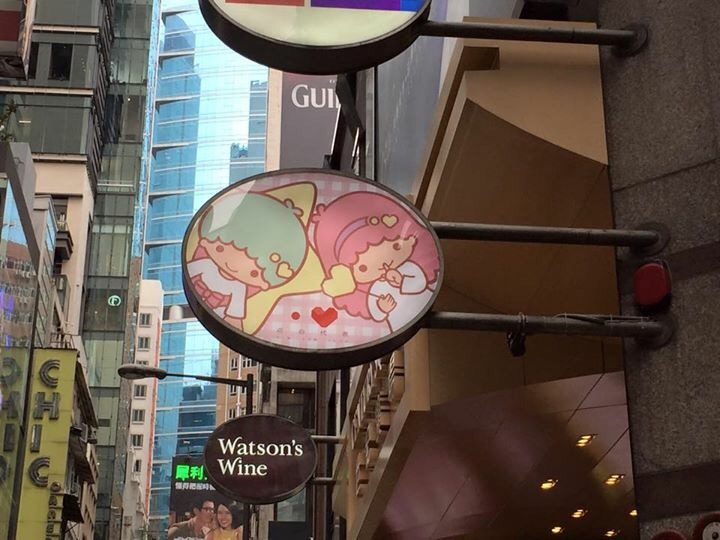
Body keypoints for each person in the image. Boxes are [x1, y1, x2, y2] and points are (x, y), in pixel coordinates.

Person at [312, 191, 440, 332]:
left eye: (395, 246)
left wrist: (401, 280)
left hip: (421, 306)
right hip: (398, 326)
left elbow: (420, 283)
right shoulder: (374, 288)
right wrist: (381, 308)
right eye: (363, 268)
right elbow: (375, 313)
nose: (382, 265)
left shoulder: (409, 266)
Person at [187, 190, 310, 330]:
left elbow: (235, 319)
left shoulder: (238, 288)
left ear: (264, 283)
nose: (233, 266)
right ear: (206, 241)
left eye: (254, 273)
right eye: (220, 248)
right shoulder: (207, 265)